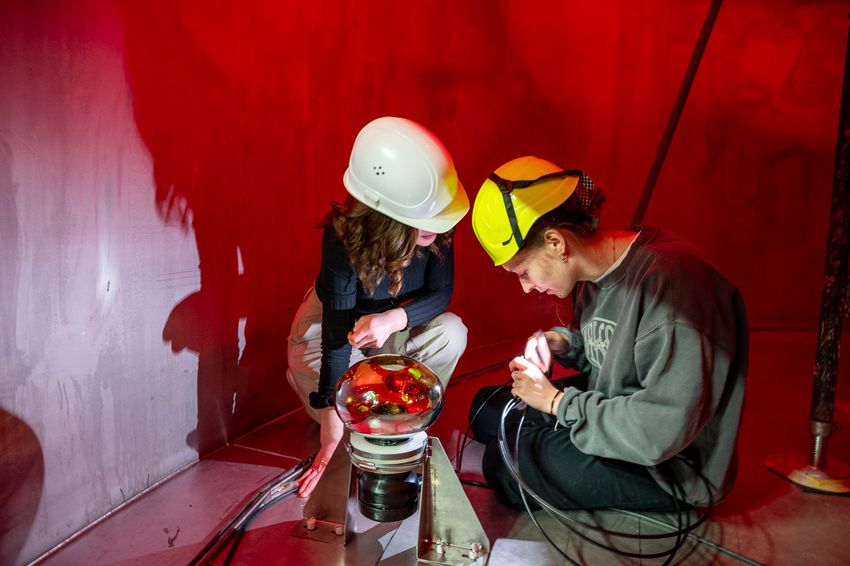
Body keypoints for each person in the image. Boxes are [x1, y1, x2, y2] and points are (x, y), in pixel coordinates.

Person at [468, 155, 747, 511]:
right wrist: (563, 344)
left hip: (667, 463)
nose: (526, 288)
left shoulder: (674, 293)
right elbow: (613, 349)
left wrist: (556, 403)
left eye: (523, 272)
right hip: (616, 406)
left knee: (504, 462)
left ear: (556, 243)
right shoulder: (592, 272)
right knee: (486, 410)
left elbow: (659, 431)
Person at [287, 117, 470, 497]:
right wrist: (330, 421)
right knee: (338, 408)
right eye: (422, 220)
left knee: (452, 331)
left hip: (390, 326)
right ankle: (332, 409)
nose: (434, 228)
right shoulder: (343, 238)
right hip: (337, 329)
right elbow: (337, 336)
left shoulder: (439, 223)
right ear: (382, 213)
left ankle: (402, 421)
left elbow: (441, 294)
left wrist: (393, 319)